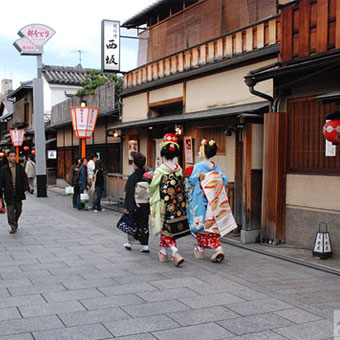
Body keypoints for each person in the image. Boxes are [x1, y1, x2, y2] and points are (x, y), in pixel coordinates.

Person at [187, 139, 237, 263]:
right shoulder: (217, 167)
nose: (198, 152)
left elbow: (192, 181)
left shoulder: (198, 167)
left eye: (199, 149)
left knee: (200, 224)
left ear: (203, 152)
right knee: (212, 226)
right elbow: (224, 180)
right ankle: (202, 247)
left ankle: (215, 248)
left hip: (201, 201)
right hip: (213, 202)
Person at [149, 133, 190, 267]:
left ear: (163, 154)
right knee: (169, 227)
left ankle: (174, 251)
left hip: (164, 203)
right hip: (177, 204)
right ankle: (162, 251)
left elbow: (154, 186)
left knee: (166, 227)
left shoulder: (160, 170)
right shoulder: (179, 169)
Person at [123, 153, 150, 253]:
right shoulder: (147, 176)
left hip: (134, 204)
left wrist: (127, 207)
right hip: (145, 203)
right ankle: (145, 245)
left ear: (135, 164)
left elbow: (129, 193)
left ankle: (130, 243)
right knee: (144, 224)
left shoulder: (132, 177)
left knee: (132, 223)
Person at [0, 149, 29, 234]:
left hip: (18, 191)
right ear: (8, 158)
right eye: (11, 156)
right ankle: (12, 225)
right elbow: (1, 181)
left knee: (19, 209)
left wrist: (26, 188)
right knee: (10, 209)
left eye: (14, 156)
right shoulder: (3, 169)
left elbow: (24, 178)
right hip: (8, 191)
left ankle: (15, 221)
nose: (13, 158)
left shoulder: (19, 167)